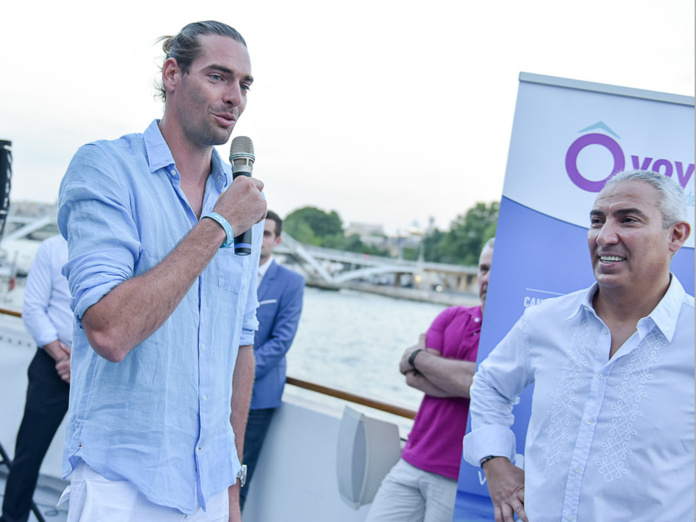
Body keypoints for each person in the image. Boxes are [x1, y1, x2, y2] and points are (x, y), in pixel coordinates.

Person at [56, 21, 267, 522]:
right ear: (172, 74)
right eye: (218, 76)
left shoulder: (240, 199)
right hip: (122, 485)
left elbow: (241, 348)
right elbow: (110, 329)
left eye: (244, 84)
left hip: (211, 488)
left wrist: (232, 489)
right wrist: (218, 223)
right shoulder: (106, 168)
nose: (234, 97)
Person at [463, 170, 693, 522]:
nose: (605, 236)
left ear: (675, 235)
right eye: (597, 221)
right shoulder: (546, 321)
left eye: (628, 220)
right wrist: (495, 463)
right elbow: (489, 385)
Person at [366, 238, 494, 522]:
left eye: (495, 271)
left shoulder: (513, 333)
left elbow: (482, 385)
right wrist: (468, 381)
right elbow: (412, 376)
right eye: (483, 269)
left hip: (460, 477)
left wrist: (420, 358)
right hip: (412, 461)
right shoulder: (451, 316)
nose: (487, 278)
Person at [0, 235, 71, 522]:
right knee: (28, 454)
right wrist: (64, 359)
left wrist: (84, 363)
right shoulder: (52, 248)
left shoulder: (114, 246)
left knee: (101, 457)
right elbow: (32, 310)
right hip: (52, 366)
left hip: (102, 368)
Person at [239, 210, 305, 509]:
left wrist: (239, 373)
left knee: (239, 474)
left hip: (258, 395)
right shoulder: (233, 267)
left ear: (277, 240)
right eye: (256, 232)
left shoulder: (291, 282)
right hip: (213, 389)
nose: (260, 239)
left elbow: (282, 341)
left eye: (266, 234)